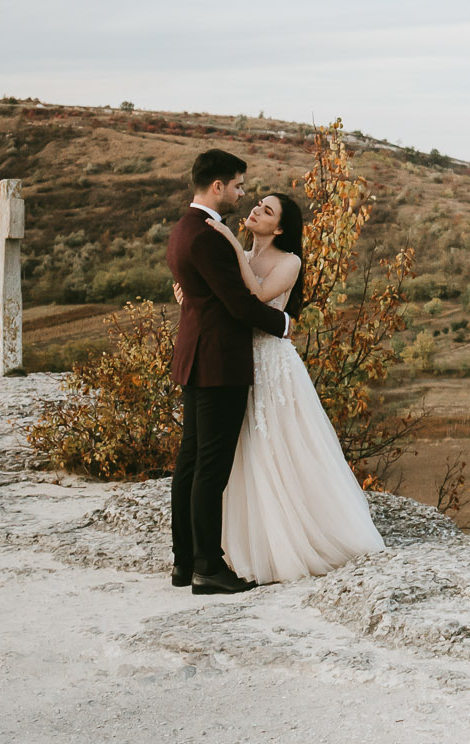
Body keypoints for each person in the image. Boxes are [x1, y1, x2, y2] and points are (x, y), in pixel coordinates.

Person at [202, 191, 385, 582]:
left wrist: (232, 243)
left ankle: (296, 542)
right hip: (236, 362)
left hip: (272, 365)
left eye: (266, 211)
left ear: (280, 227)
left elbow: (256, 295)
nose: (255, 210)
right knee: (243, 452)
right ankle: (243, 546)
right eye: (257, 204)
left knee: (281, 448)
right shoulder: (244, 257)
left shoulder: (289, 261)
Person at [164, 150, 294, 594]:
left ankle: (184, 562)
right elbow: (238, 304)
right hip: (218, 362)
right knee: (210, 469)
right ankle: (208, 567)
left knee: (191, 461)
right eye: (238, 185)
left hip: (196, 355)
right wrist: (284, 324)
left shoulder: (184, 229)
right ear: (217, 186)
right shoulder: (208, 236)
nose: (243, 193)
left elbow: (202, 296)